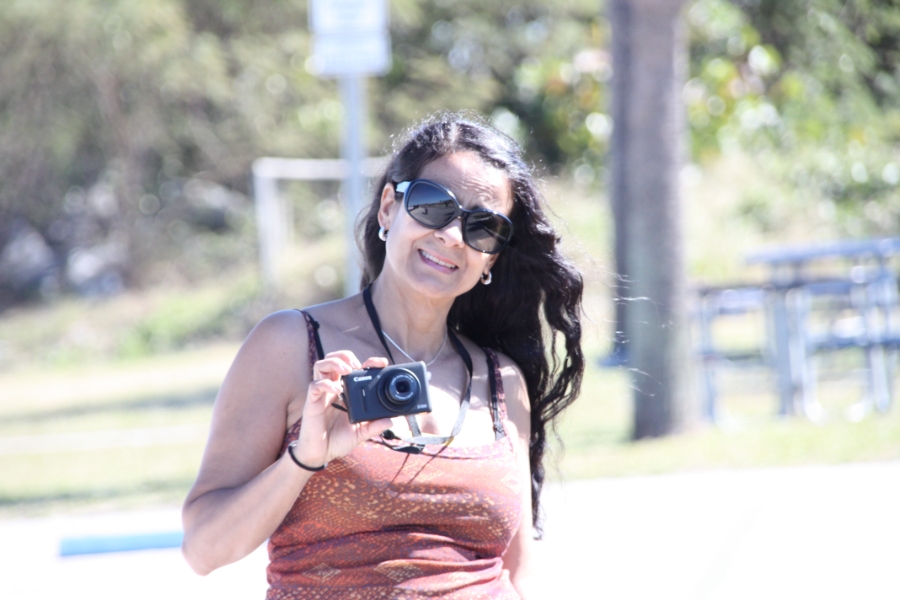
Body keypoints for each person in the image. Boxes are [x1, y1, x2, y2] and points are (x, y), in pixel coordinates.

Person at [181, 114, 585, 599]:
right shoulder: (290, 346)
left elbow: (521, 576)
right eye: (433, 206)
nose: (453, 235)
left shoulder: (502, 381)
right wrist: (304, 458)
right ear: (390, 208)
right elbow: (203, 550)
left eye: (482, 227)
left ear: (491, 258)